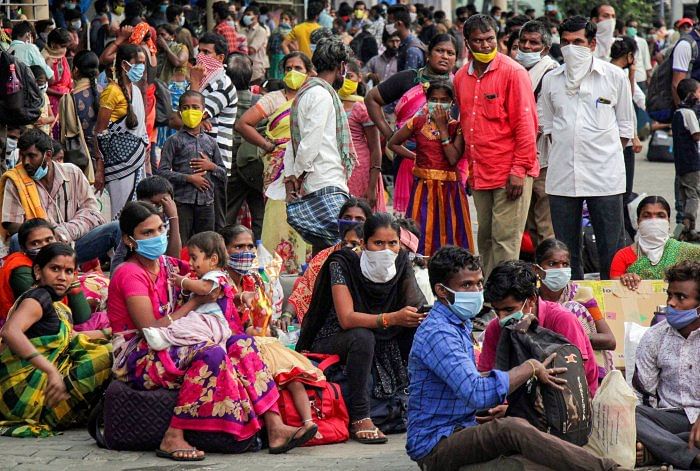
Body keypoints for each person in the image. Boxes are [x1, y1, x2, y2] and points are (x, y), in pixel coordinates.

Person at [108, 201, 311, 461]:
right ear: (129, 239)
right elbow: (150, 328)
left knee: (242, 343)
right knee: (212, 353)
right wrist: (195, 302)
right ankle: (173, 435)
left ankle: (275, 427)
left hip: (175, 340)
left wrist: (235, 296)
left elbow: (210, 276)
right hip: (139, 353)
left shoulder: (168, 266)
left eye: (160, 229)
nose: (157, 237)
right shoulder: (129, 274)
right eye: (147, 233)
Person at [408, 245, 620, 470]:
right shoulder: (440, 333)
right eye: (466, 285)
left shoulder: (459, 325)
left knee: (537, 461)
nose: (475, 291)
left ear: (529, 301)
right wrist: (530, 367)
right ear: (442, 291)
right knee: (510, 429)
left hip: (486, 426)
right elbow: (478, 393)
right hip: (439, 443)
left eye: (478, 283)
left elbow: (580, 381)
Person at [297, 213, 427, 445]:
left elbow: (414, 303)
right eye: (378, 243)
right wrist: (391, 318)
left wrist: (419, 315)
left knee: (418, 328)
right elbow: (347, 319)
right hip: (337, 335)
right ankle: (360, 417)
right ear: (365, 243)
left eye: (392, 243)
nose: (386, 250)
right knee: (362, 337)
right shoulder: (342, 263)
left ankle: (427, 400)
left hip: (387, 334)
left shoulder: (401, 261)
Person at [538, 15, 634, 280]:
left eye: (578, 42)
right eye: (566, 42)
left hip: (605, 177)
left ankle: (612, 307)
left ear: (592, 44)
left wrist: (604, 154)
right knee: (565, 251)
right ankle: (574, 307)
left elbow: (626, 127)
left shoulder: (614, 77)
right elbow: (546, 124)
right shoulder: (551, 80)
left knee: (611, 249)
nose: (571, 48)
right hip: (562, 177)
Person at [455, 15, 539, 277]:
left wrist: (519, 170)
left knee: (506, 241)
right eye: (478, 41)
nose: (485, 45)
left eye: (490, 39)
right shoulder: (460, 77)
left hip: (510, 171)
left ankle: (507, 299)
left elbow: (526, 125)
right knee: (486, 239)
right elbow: (466, 124)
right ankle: (491, 297)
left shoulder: (513, 73)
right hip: (480, 172)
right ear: (467, 43)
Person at [0, 243, 111, 437]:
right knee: (108, 355)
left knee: (108, 347)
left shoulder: (57, 306)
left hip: (26, 394)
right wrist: (50, 370)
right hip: (24, 397)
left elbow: (72, 338)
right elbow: (10, 331)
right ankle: (52, 414)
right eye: (55, 269)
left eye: (69, 271)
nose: (62, 277)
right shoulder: (38, 297)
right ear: (37, 271)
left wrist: (111, 333)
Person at [235, 52, 313, 272]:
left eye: (298, 68)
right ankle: (275, 264)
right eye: (288, 68)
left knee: (303, 211)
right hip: (277, 165)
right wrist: (268, 146)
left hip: (305, 165)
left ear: (308, 73)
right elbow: (243, 124)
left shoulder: (312, 97)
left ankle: (302, 265)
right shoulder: (274, 99)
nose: (292, 73)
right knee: (276, 212)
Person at [366, 34, 457, 214]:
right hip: (408, 158)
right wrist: (389, 133)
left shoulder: (460, 84)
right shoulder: (408, 79)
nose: (445, 56)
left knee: (442, 219)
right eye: (440, 51)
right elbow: (371, 98)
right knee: (411, 217)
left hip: (446, 160)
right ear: (428, 55)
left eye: (450, 53)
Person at [479, 260, 599, 397]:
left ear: (531, 299)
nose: (502, 318)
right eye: (496, 311)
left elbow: (574, 382)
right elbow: (486, 380)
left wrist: (510, 408)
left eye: (509, 310)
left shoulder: (562, 320)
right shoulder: (495, 328)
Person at [0, 129, 120, 265]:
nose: (26, 162)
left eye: (31, 156)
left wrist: (63, 232)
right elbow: (12, 225)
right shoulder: (16, 179)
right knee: (16, 239)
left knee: (117, 228)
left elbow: (93, 214)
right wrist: (48, 235)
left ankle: (121, 281)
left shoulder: (72, 172)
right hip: (39, 251)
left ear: (48, 155)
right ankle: (32, 284)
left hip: (73, 244)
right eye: (22, 156)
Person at [283, 37, 354, 253]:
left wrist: (294, 175)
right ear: (341, 66)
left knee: (323, 252)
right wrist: (297, 175)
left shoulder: (308, 93)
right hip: (324, 180)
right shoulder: (321, 95)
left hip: (318, 180)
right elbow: (309, 144)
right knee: (336, 251)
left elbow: (295, 142)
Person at [388, 80, 473, 256]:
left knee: (450, 232)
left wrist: (442, 128)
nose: (439, 104)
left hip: (450, 191)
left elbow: (452, 158)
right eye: (434, 99)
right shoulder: (417, 122)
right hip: (423, 188)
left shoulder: (457, 127)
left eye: (444, 100)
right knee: (420, 230)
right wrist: (415, 157)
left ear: (452, 102)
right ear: (427, 100)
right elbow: (393, 143)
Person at [634, 260, 700, 470]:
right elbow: (642, 394)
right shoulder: (654, 337)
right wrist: (648, 429)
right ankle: (690, 456)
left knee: (654, 437)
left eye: (681, 297)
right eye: (669, 295)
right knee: (625, 413)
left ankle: (657, 450)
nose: (671, 303)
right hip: (669, 417)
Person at [535, 239, 616, 380]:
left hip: (583, 363)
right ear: (537, 270)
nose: (560, 269)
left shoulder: (582, 295)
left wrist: (574, 336)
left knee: (570, 309)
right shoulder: (532, 300)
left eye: (565, 264)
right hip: (544, 365)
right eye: (552, 264)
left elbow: (610, 340)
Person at [284, 198, 372, 327]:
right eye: (347, 218)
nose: (352, 223)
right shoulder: (324, 256)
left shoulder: (372, 258)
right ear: (338, 222)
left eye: (359, 220)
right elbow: (304, 290)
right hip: (324, 323)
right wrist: (286, 314)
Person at [142, 231, 233, 350]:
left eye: (194, 258)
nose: (190, 263)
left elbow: (203, 288)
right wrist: (187, 290)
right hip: (205, 321)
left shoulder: (216, 276)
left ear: (213, 260)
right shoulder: (204, 278)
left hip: (210, 321)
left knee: (186, 325)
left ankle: (164, 339)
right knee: (186, 326)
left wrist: (184, 282)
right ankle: (166, 338)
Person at [156, 90, 226, 242]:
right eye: (186, 108)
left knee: (206, 243)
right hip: (182, 202)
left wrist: (211, 166)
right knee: (181, 241)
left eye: (195, 107)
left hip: (206, 202)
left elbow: (223, 173)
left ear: (203, 111)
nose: (191, 112)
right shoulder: (173, 141)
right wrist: (189, 178)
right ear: (180, 112)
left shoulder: (211, 142)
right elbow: (162, 172)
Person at [189, 32, 238, 231]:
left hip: (214, 166)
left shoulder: (222, 85)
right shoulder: (205, 83)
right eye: (199, 51)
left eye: (206, 52)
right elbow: (179, 118)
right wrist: (196, 119)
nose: (200, 56)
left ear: (220, 58)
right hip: (195, 163)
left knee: (212, 227)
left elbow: (190, 118)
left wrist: (193, 83)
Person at [0, 219, 90, 327]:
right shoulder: (21, 271)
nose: (44, 246)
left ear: (56, 239)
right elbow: (53, 319)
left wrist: (73, 281)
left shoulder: (61, 262)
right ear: (24, 248)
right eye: (35, 243)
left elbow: (83, 317)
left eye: (49, 240)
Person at [516, 20, 559, 247]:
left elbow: (541, 121)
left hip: (542, 159)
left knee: (544, 224)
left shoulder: (550, 73)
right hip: (521, 159)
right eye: (523, 41)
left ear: (545, 47)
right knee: (528, 224)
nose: (527, 46)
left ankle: (551, 272)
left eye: (534, 42)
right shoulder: (516, 69)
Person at [94, 43, 149, 217]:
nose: (141, 67)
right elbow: (99, 132)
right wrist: (99, 169)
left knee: (138, 212)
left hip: (137, 161)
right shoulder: (111, 92)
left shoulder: (136, 91)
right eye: (138, 62)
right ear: (125, 65)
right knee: (122, 213)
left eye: (143, 63)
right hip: (118, 164)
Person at [611, 196, 700, 286]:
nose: (654, 221)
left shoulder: (685, 251)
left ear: (668, 222)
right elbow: (614, 291)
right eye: (646, 216)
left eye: (660, 216)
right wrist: (625, 280)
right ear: (638, 222)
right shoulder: (623, 256)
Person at [610, 36, 645, 240]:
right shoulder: (619, 75)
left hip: (614, 139)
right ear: (630, 56)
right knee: (623, 192)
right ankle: (622, 235)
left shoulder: (606, 70)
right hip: (621, 142)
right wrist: (633, 137)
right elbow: (626, 107)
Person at [110, 175, 181, 273]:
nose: (159, 210)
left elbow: (173, 262)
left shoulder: (167, 221)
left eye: (164, 205)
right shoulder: (135, 222)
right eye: (154, 205)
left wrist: (174, 218)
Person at [340, 60, 385, 212]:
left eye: (349, 76)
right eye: (342, 76)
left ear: (359, 78)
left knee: (359, 216)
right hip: (337, 169)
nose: (345, 80)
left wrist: (372, 186)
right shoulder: (332, 103)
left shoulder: (363, 107)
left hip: (360, 170)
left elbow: (375, 148)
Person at [60, 51, 101, 180]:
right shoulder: (107, 92)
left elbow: (66, 133)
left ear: (76, 70)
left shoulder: (69, 99)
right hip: (107, 159)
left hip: (82, 161)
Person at [672, 79, 700, 232]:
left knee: (685, 193)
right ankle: (689, 226)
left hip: (681, 162)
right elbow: (696, 135)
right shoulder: (689, 113)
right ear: (691, 95)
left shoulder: (678, 112)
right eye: (698, 92)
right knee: (693, 194)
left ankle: (685, 225)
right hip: (691, 161)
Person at [42, 28, 73, 129]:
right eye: (62, 46)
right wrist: (60, 94)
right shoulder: (44, 58)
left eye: (66, 47)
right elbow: (42, 86)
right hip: (52, 104)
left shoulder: (61, 56)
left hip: (65, 101)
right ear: (53, 43)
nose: (64, 50)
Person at [386, 5, 426, 72]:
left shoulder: (412, 50)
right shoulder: (405, 44)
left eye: (390, 22)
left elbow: (408, 80)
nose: (387, 26)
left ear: (399, 23)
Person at [242, 6, 269, 86]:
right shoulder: (242, 30)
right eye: (245, 15)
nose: (246, 17)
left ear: (256, 16)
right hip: (244, 69)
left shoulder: (261, 31)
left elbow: (252, 50)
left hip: (256, 70)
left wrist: (240, 48)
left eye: (248, 14)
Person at [29, 66, 57, 137]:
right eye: (40, 83)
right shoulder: (26, 97)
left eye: (44, 83)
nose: (43, 86)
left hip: (44, 136)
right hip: (30, 135)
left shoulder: (44, 95)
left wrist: (44, 121)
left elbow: (52, 117)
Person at [626, 19, 652, 91]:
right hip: (626, 77)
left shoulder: (642, 42)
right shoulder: (622, 41)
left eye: (635, 27)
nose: (633, 29)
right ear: (626, 27)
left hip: (640, 77)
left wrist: (649, 77)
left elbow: (646, 60)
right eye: (631, 26)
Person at [267, 9, 293, 80]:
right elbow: (269, 45)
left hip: (285, 57)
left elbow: (295, 48)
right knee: (273, 78)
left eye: (286, 19)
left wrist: (285, 39)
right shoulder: (275, 31)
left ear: (290, 22)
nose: (283, 20)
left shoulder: (292, 33)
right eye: (281, 18)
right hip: (274, 58)